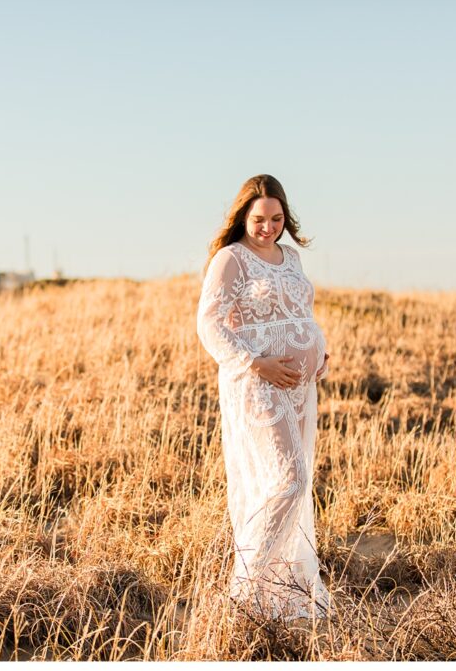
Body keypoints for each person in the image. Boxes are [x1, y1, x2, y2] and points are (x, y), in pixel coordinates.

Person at [196, 173, 332, 622]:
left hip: (300, 388)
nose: (267, 227)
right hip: (257, 384)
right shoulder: (231, 259)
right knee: (287, 480)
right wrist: (258, 363)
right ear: (243, 216)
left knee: (297, 480)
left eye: (276, 218)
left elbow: (299, 312)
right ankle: (246, 592)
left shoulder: (290, 258)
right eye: (259, 218)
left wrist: (317, 352)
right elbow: (210, 324)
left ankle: (280, 588)